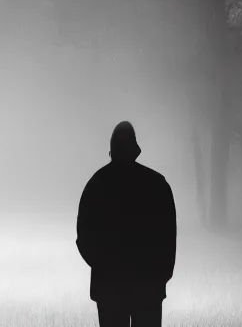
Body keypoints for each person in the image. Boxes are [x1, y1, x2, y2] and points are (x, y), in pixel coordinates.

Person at [76, 121, 176, 327]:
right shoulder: (157, 185)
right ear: (135, 148)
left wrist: (103, 265)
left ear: (112, 149)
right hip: (148, 287)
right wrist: (161, 276)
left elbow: (83, 237)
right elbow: (168, 237)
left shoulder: (96, 184)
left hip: (109, 287)